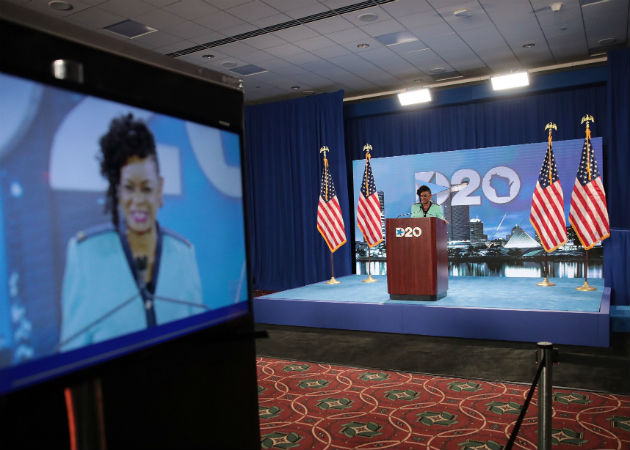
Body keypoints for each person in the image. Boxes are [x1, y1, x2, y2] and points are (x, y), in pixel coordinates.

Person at [59, 114, 203, 351]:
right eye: (129, 188)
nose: (138, 200)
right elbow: (71, 355)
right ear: (117, 192)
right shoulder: (85, 256)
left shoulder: (183, 254)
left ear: (160, 190)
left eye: (146, 188)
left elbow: (199, 340)